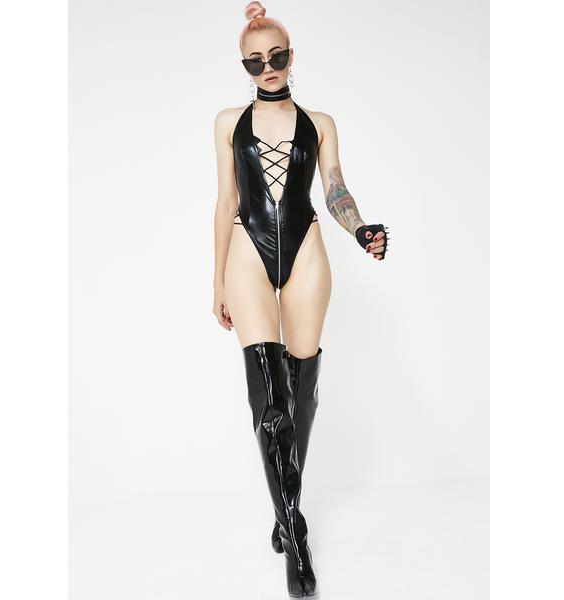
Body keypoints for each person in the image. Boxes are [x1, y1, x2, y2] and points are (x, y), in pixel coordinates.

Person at [212, 2, 390, 597]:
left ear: (292, 56)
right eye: (254, 61)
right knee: (268, 396)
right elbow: (225, 200)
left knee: (301, 390)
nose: (267, 67)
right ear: (243, 65)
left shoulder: (320, 123)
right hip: (247, 250)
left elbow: (335, 188)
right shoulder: (228, 122)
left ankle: (283, 504)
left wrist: (360, 229)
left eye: (277, 56)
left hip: (307, 249)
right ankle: (295, 529)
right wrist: (217, 281)